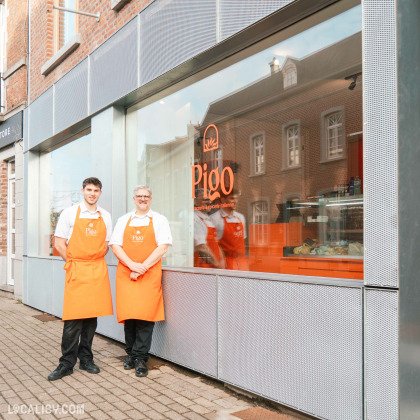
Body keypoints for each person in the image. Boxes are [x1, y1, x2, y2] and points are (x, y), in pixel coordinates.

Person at [48, 177, 113, 381]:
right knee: (73, 319)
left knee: (91, 318)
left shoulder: (106, 216)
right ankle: (66, 363)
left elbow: (107, 243)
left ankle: (86, 359)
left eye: (96, 190)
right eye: (89, 189)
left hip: (97, 269)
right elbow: (59, 243)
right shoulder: (70, 213)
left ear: (100, 193)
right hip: (77, 268)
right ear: (83, 191)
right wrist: (74, 262)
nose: (92, 193)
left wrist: (92, 260)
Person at [110, 185, 172, 377]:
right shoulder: (123, 220)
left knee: (145, 317)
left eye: (146, 196)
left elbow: (162, 247)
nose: (142, 199)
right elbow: (115, 246)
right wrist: (132, 265)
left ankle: (140, 358)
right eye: (139, 196)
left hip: (149, 274)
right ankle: (130, 354)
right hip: (127, 274)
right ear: (133, 199)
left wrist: (142, 267)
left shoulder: (160, 220)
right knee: (130, 316)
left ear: (150, 199)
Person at [210, 189, 248, 270]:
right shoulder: (214, 219)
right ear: (223, 200)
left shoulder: (240, 217)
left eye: (236, 198)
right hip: (225, 264)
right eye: (232, 198)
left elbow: (242, 241)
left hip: (242, 263)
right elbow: (212, 245)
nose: (235, 201)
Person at [194, 189, 224, 268]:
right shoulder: (195, 218)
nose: (210, 202)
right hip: (204, 269)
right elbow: (202, 247)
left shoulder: (208, 219)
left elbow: (216, 243)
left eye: (211, 199)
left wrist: (222, 261)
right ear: (195, 202)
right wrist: (217, 264)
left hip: (214, 269)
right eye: (206, 200)